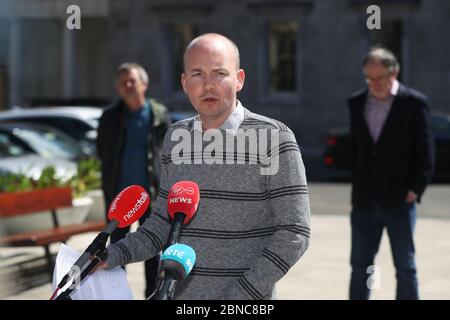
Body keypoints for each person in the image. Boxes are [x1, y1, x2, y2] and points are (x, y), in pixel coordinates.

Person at [96, 33, 311, 299]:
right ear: (185, 83)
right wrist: (110, 255)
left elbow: (294, 233)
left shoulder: (274, 138)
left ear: (239, 79)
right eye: (197, 74)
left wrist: (238, 296)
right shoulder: (175, 138)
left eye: (219, 73)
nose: (208, 85)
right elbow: (161, 225)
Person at [348, 47, 434, 300]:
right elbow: (357, 149)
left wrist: (415, 189)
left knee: (406, 268)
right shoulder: (356, 103)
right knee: (359, 267)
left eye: (380, 78)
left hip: (400, 200)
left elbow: (425, 151)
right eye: (369, 78)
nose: (375, 84)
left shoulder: (414, 103)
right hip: (364, 201)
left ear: (394, 73)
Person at [96, 62, 172, 298]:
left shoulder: (159, 115)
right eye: (123, 82)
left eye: (132, 81)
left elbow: (170, 152)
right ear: (118, 88)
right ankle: (116, 294)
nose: (128, 86)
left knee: (152, 250)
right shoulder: (110, 117)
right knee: (116, 251)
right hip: (120, 199)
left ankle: (151, 294)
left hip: (152, 195)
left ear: (144, 84)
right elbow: (102, 151)